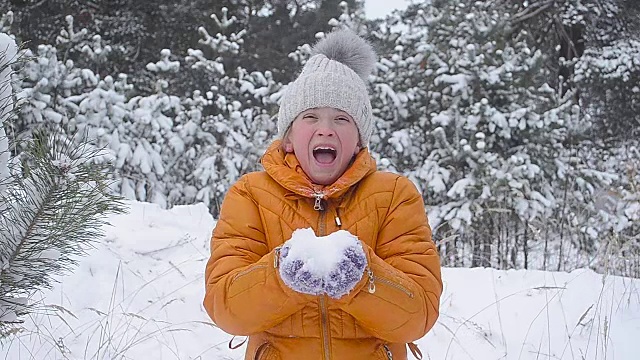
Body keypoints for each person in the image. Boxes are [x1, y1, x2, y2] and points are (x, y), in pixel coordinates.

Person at [203, 29, 442, 360]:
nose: (326, 129)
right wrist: (279, 276)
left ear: (359, 141)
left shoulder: (394, 196)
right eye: (310, 116)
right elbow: (226, 309)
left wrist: (364, 278)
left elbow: (419, 316)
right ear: (288, 138)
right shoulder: (251, 195)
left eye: (341, 119)